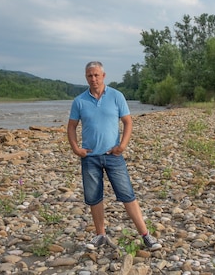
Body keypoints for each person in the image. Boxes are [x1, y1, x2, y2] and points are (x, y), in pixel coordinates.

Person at [67, 61, 162, 250]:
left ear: (103, 76)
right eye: (89, 75)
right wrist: (76, 149)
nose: (93, 79)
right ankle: (100, 235)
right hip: (90, 157)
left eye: (96, 75)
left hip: (113, 155)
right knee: (94, 197)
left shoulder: (116, 96)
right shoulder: (79, 101)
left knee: (127, 194)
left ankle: (146, 235)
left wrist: (122, 145)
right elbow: (71, 127)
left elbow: (128, 122)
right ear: (86, 77)